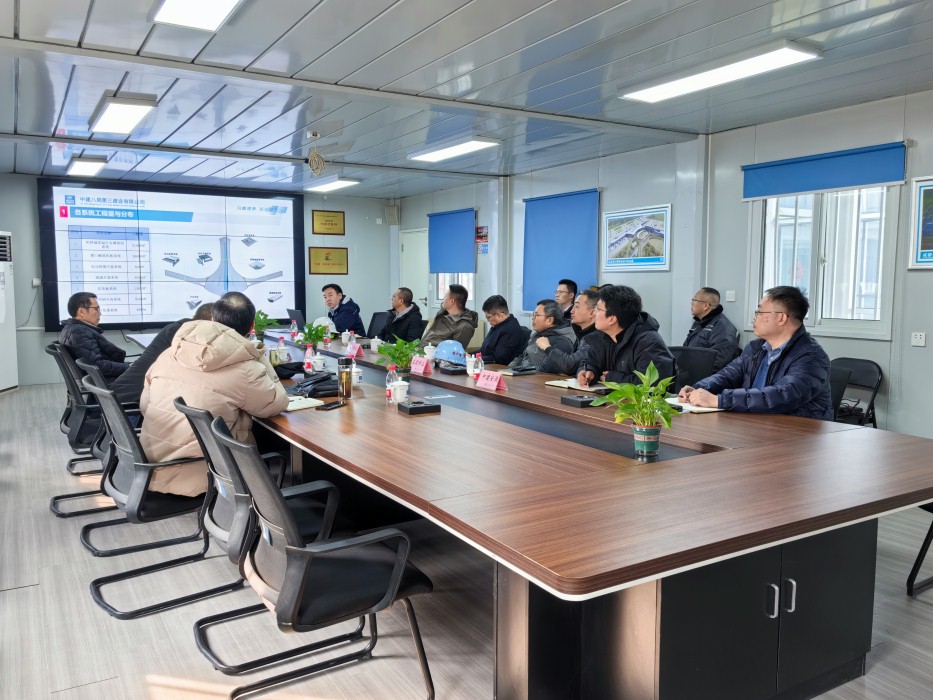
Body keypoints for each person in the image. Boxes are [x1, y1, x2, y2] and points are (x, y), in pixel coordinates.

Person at [139, 292, 289, 496]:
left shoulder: (171, 352)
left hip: (150, 467)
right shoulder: (245, 369)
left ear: (212, 319)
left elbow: (144, 406)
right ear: (252, 327)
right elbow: (278, 403)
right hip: (208, 475)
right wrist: (258, 356)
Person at [678, 286, 833, 420]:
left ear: (781, 318)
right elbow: (728, 375)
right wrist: (698, 388)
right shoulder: (756, 348)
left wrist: (719, 400)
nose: (754, 318)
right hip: (757, 425)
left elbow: (781, 396)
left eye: (759, 312)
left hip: (799, 434)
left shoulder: (811, 357)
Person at [111, 303, 213, 406]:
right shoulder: (184, 336)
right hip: (130, 402)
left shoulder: (175, 327)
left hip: (120, 397)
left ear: (193, 317)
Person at [577, 285, 675, 387]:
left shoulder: (649, 342)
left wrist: (612, 378)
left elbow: (653, 384)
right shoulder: (602, 336)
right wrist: (589, 371)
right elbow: (589, 361)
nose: (594, 313)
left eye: (598, 309)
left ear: (612, 319)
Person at [58, 291, 130, 382]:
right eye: (96, 309)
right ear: (81, 311)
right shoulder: (80, 332)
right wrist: (129, 366)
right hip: (104, 382)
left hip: (99, 379)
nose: (100, 313)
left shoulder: (71, 328)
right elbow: (97, 366)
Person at [539, 289, 601, 375]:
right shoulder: (581, 334)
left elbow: (570, 365)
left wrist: (547, 347)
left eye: (577, 307)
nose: (571, 311)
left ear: (593, 312)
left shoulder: (596, 338)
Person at [683, 287, 740, 371]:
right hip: (691, 371)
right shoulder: (698, 322)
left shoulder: (722, 327)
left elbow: (718, 363)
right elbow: (685, 349)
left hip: (706, 376)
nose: (692, 302)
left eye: (694, 299)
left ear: (705, 306)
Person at [510, 299, 575, 370]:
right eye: (533, 315)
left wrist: (519, 372)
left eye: (537, 315)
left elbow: (545, 370)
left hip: (533, 375)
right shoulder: (538, 333)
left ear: (550, 320)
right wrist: (508, 370)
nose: (532, 318)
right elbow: (522, 356)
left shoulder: (562, 342)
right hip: (523, 373)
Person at [420, 284, 478, 348]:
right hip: (420, 350)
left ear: (451, 301)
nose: (443, 298)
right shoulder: (443, 314)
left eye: (445, 296)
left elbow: (456, 351)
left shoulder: (464, 326)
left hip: (433, 353)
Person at [478, 295, 525, 365]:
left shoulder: (511, 329)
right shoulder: (498, 325)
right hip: (488, 364)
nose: (488, 320)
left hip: (500, 367)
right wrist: (469, 355)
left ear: (499, 315)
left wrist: (475, 359)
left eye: (488, 317)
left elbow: (499, 358)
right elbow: (484, 350)